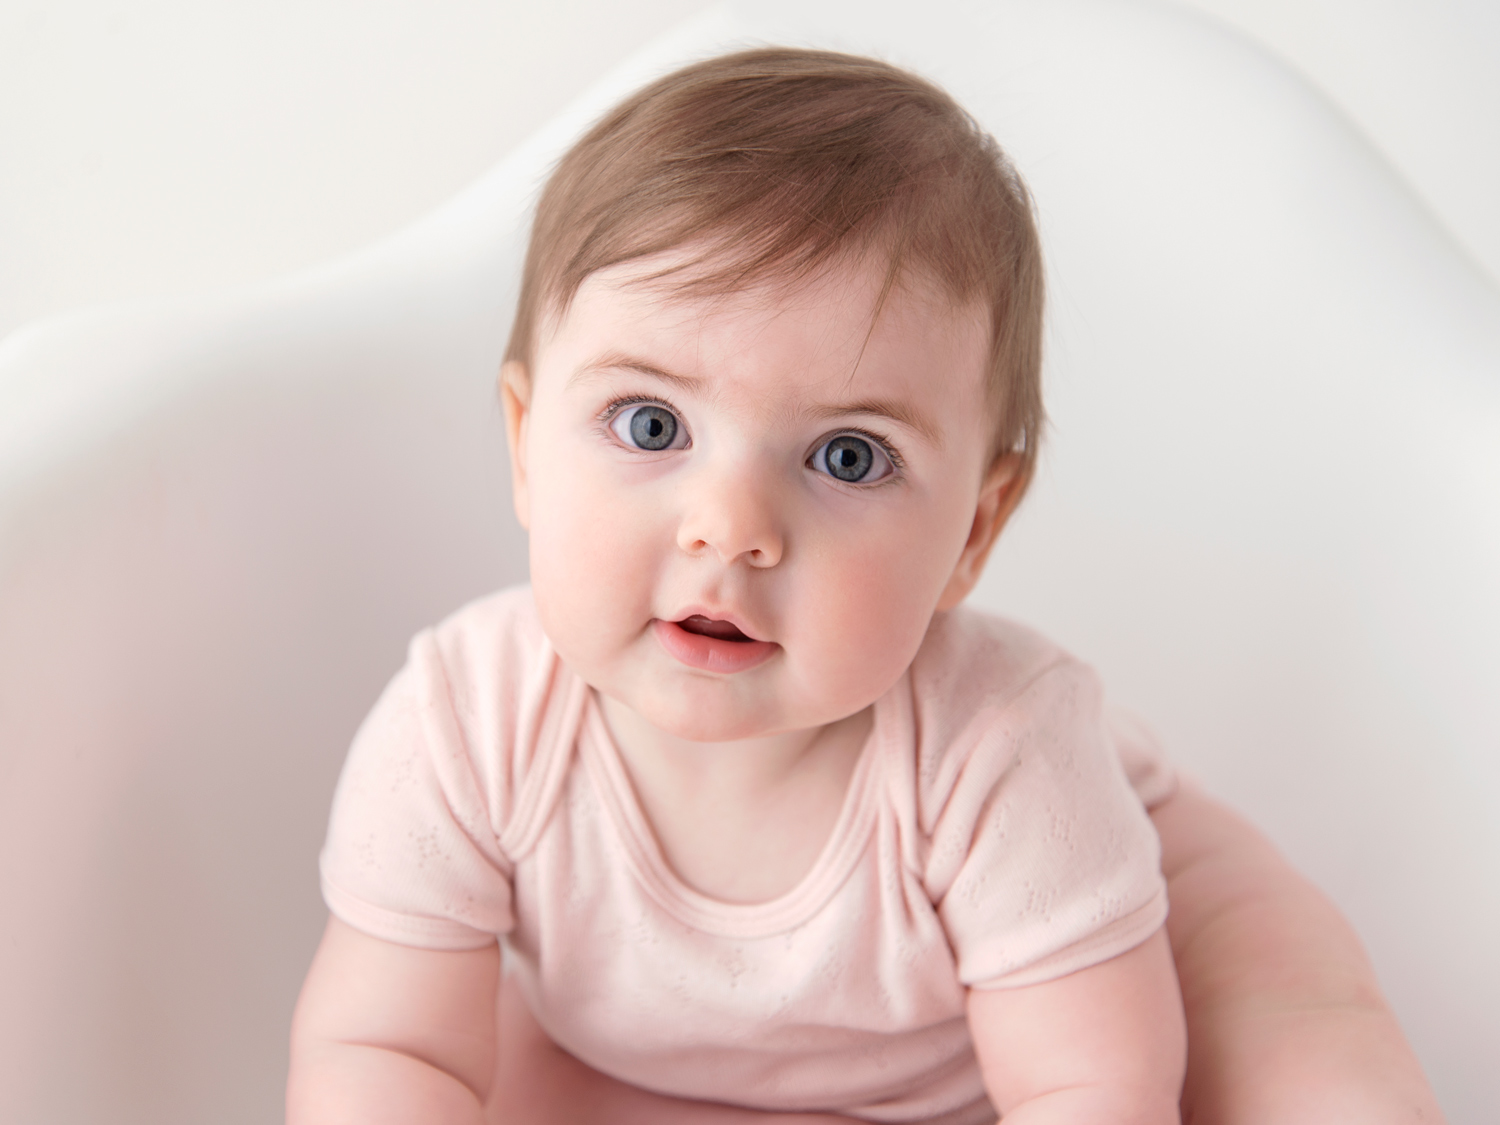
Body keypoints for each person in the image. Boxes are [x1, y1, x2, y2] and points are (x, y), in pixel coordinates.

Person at [286, 48, 1444, 1124]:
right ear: (527, 442)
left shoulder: (1001, 750)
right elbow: (384, 1048)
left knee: (1296, 1049)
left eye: (847, 456)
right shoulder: (464, 726)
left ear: (975, 531)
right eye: (651, 425)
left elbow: (1088, 1085)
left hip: (1117, 941)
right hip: (642, 1033)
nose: (731, 531)